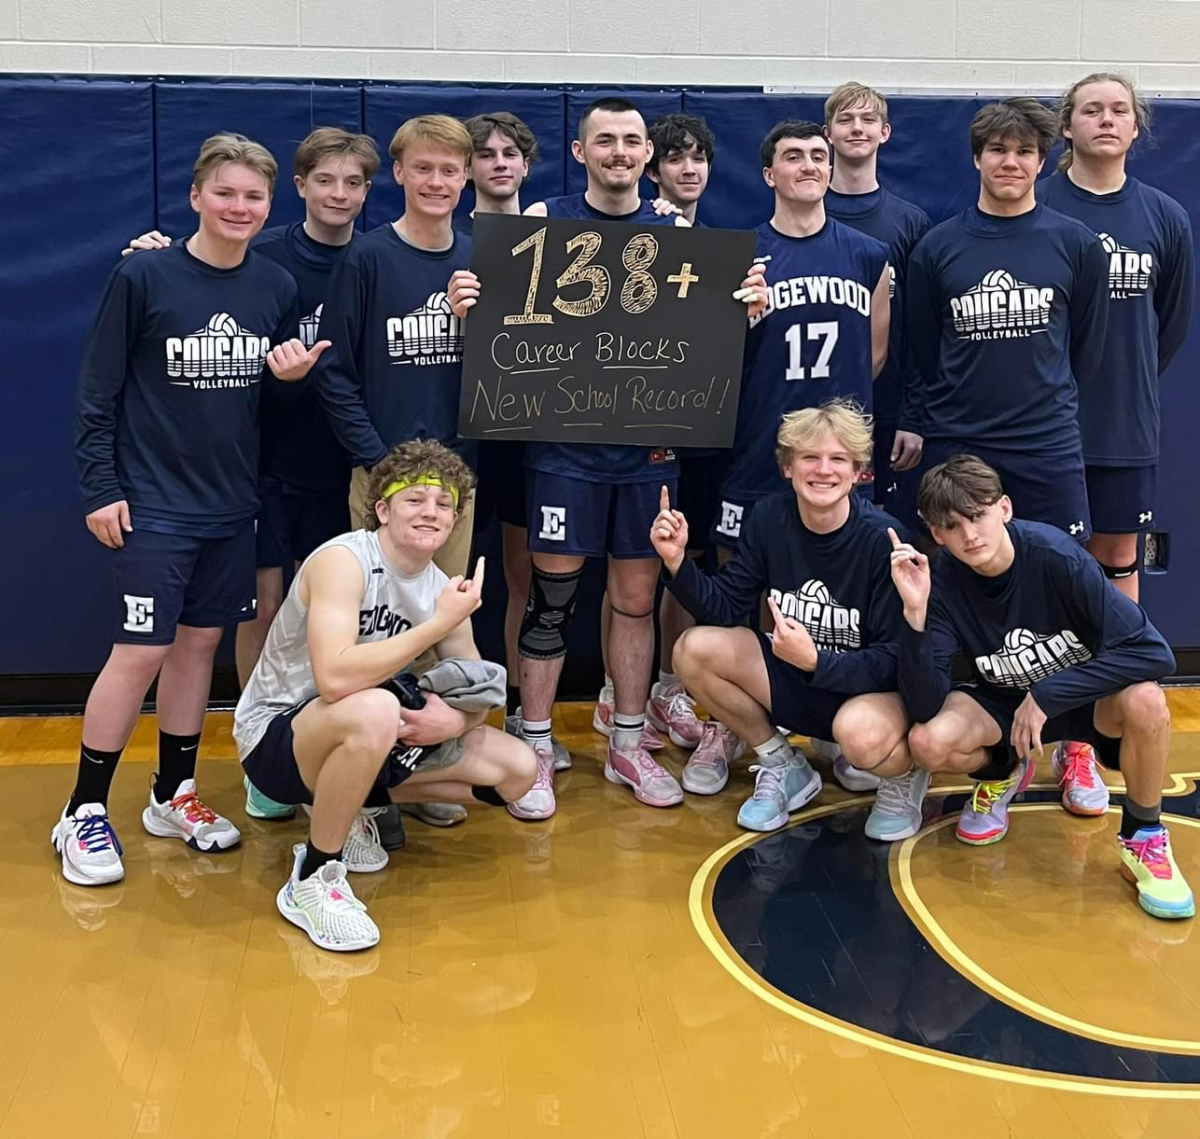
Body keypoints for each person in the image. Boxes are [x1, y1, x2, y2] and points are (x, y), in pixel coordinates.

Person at [448, 96, 766, 819]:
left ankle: (627, 740)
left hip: (652, 451)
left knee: (634, 597)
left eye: (631, 141)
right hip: (562, 449)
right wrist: (471, 302)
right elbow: (497, 330)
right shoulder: (540, 224)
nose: (620, 152)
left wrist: (742, 307)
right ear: (581, 149)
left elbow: (707, 345)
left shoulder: (677, 231)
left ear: (645, 155)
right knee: (553, 600)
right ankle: (532, 747)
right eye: (606, 141)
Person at [57, 133, 329, 886]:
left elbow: (265, 399)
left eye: (254, 197)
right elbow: (95, 393)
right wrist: (100, 487)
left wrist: (291, 378)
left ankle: (172, 793)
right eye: (227, 193)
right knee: (140, 650)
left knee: (198, 651)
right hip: (152, 505)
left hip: (230, 506)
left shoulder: (272, 287)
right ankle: (82, 809)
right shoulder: (143, 275)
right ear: (196, 198)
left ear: (268, 205)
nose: (240, 207)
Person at [117, 128, 384, 824]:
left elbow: (313, 372)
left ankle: (327, 752)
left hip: (343, 468)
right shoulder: (258, 259)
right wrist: (156, 252)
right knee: (258, 614)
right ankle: (258, 752)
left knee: (336, 620)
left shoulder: (375, 257)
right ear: (298, 187)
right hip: (257, 471)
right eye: (325, 179)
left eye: (353, 182)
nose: (339, 193)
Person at [234, 440, 537, 951]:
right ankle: (314, 876)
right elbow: (334, 678)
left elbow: (480, 690)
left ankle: (353, 805)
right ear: (382, 509)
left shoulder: (439, 584)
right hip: (278, 737)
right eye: (414, 499)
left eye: (444, 503)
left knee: (518, 771)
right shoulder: (342, 561)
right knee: (375, 707)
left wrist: (456, 724)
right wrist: (437, 624)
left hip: (365, 731)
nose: (431, 512)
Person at [891, 454, 1192, 920]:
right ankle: (1004, 773)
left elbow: (1155, 654)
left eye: (978, 515)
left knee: (1148, 700)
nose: (970, 535)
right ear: (937, 535)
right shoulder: (943, 582)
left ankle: (1144, 837)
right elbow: (925, 702)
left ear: (1004, 509)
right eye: (953, 525)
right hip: (1003, 705)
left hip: (1081, 700)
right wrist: (914, 618)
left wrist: (1048, 695)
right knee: (927, 741)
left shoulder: (1057, 558)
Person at [654, 401, 923, 841]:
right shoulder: (768, 518)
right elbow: (723, 608)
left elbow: (895, 661)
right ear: (788, 467)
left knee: (860, 737)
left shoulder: (882, 538)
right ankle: (783, 764)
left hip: (863, 692)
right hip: (798, 675)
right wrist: (678, 562)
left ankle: (905, 777)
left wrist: (817, 661)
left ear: (858, 473)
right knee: (693, 648)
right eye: (809, 458)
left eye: (838, 459)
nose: (823, 470)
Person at [1039, 73, 1195, 816]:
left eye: (1120, 110)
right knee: (1045, 582)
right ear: (1066, 126)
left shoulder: (1164, 217)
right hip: (1043, 431)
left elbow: (1166, 328)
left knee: (1114, 584)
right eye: (1091, 109)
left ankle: (1087, 746)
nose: (1106, 119)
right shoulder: (1039, 207)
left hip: (1125, 432)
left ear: (1137, 129)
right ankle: (1042, 739)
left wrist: (1117, 384)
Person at [906, 97, 1110, 542]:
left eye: (1024, 152)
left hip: (1045, 442)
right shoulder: (936, 249)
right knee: (955, 571)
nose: (1010, 162)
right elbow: (924, 350)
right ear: (977, 157)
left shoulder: (1077, 245)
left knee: (1059, 572)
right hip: (958, 439)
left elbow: (1086, 351)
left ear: (1041, 162)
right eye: (998, 149)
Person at [455, 111, 572, 773]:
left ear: (527, 166)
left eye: (510, 153)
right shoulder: (452, 236)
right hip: (468, 427)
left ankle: (524, 716)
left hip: (540, 427)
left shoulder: (558, 235)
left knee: (526, 575)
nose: (498, 163)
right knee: (452, 576)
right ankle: (462, 720)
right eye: (485, 154)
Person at [316, 114, 477, 578]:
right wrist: (377, 458)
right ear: (400, 172)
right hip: (381, 470)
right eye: (422, 168)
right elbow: (334, 371)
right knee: (378, 615)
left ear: (466, 176)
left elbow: (506, 365)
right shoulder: (365, 257)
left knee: (445, 611)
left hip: (456, 475)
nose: (436, 181)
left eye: (449, 170)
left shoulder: (479, 257)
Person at [637, 111, 720, 763]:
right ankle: (640, 686)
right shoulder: (634, 235)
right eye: (675, 158)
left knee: (695, 561)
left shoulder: (724, 246)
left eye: (698, 158)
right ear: (654, 167)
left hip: (710, 428)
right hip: (642, 433)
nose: (688, 168)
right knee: (646, 565)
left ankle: (677, 684)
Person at [822, 82, 930, 525]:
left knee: (879, 529)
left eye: (868, 120)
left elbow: (923, 330)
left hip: (883, 406)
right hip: (807, 403)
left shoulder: (909, 222)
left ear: (884, 133)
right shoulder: (801, 209)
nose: (857, 128)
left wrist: (913, 416)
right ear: (827, 132)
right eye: (845, 119)